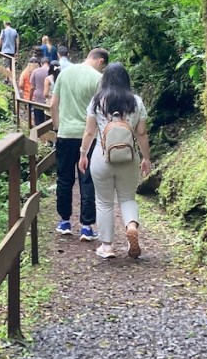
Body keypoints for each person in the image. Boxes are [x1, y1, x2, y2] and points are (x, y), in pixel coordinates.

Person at [77, 62, 151, 259]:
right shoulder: (136, 101)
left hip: (102, 157)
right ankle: (131, 227)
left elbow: (90, 131)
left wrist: (83, 153)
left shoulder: (97, 101)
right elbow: (142, 133)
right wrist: (146, 158)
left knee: (104, 202)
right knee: (127, 198)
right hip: (129, 157)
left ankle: (107, 247)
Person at [49, 47, 108, 240]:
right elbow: (101, 110)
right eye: (103, 66)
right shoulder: (97, 79)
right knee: (87, 179)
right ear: (100, 61)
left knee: (64, 179)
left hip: (65, 134)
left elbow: (53, 105)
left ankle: (64, 222)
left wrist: (58, 128)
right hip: (88, 137)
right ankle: (86, 226)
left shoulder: (64, 74)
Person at [29, 56, 50, 126]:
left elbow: (32, 87)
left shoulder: (36, 71)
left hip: (38, 99)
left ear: (41, 63)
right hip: (49, 99)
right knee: (48, 121)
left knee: (38, 120)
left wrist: (30, 99)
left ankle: (39, 135)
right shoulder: (52, 72)